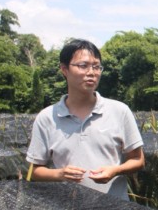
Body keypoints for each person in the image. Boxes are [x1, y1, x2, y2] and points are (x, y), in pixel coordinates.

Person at [26, 38, 145, 201]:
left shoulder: (119, 111)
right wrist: (60, 174)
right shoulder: (47, 118)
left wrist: (114, 171)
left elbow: (138, 159)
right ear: (64, 69)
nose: (91, 72)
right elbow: (34, 170)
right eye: (83, 66)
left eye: (96, 67)